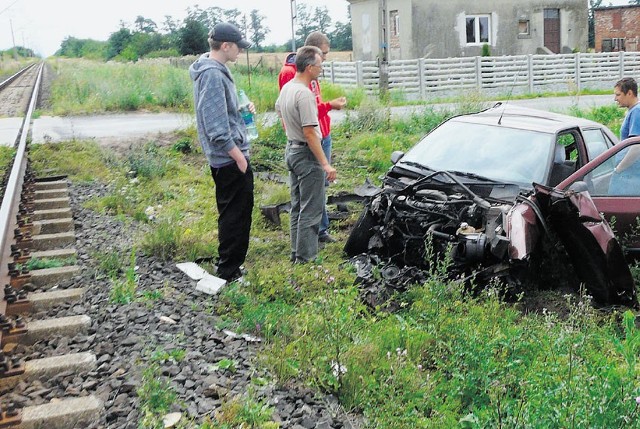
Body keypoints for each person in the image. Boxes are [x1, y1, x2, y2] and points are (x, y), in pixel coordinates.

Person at [189, 22, 254, 281]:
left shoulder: (213, 69)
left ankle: (231, 264)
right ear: (225, 46)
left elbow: (221, 112)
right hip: (228, 158)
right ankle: (229, 270)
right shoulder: (213, 74)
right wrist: (237, 155)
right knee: (235, 215)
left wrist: (241, 110)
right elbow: (214, 124)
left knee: (234, 211)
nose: (240, 51)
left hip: (226, 156)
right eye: (238, 46)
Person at [278, 31, 347, 243]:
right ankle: (310, 244)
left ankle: (317, 232)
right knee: (309, 196)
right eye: (323, 55)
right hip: (307, 141)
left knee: (318, 188)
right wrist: (329, 105)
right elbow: (301, 114)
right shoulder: (292, 75)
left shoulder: (310, 74)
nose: (325, 60)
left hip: (320, 134)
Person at [610, 77, 640, 196]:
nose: (615, 99)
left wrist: (619, 169)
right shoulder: (633, 111)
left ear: (629, 93)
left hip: (630, 176)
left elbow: (636, 145)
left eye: (618, 94)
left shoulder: (637, 112)